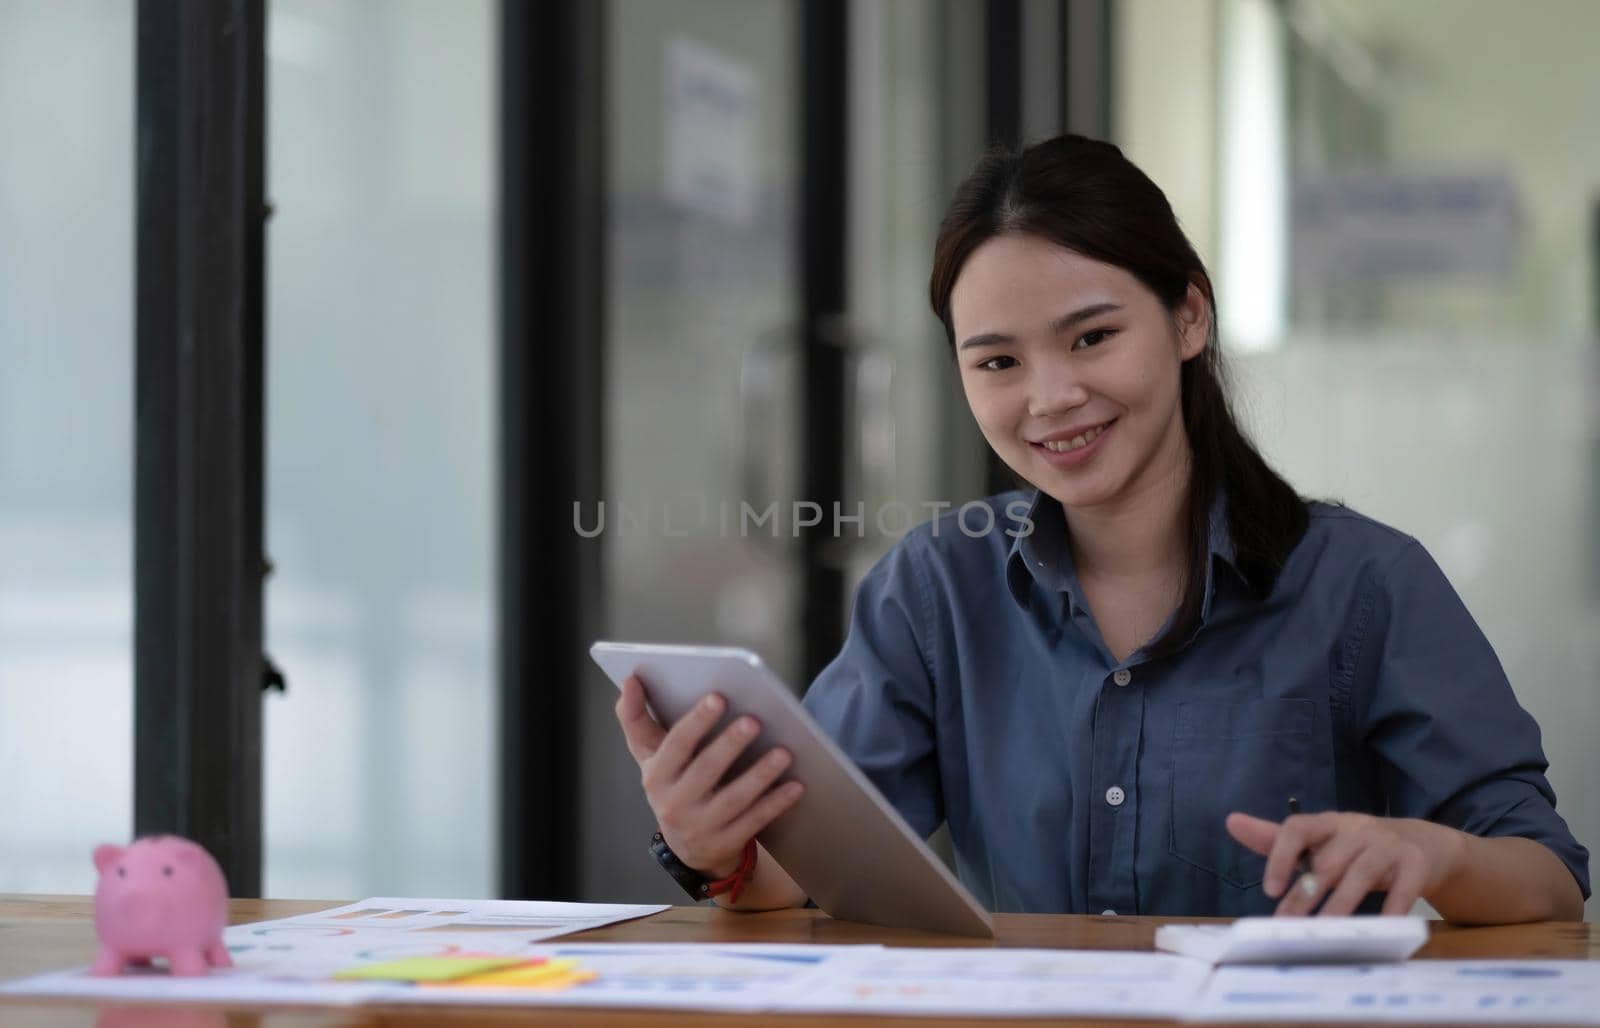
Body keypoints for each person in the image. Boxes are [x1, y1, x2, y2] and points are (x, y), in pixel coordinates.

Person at [613, 134, 1589, 922]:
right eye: (996, 361)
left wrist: (1434, 850)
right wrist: (717, 849)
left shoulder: (1365, 583)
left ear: (1188, 316)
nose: (1049, 397)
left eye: (1090, 336)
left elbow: (1545, 877)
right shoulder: (934, 587)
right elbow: (814, 876)